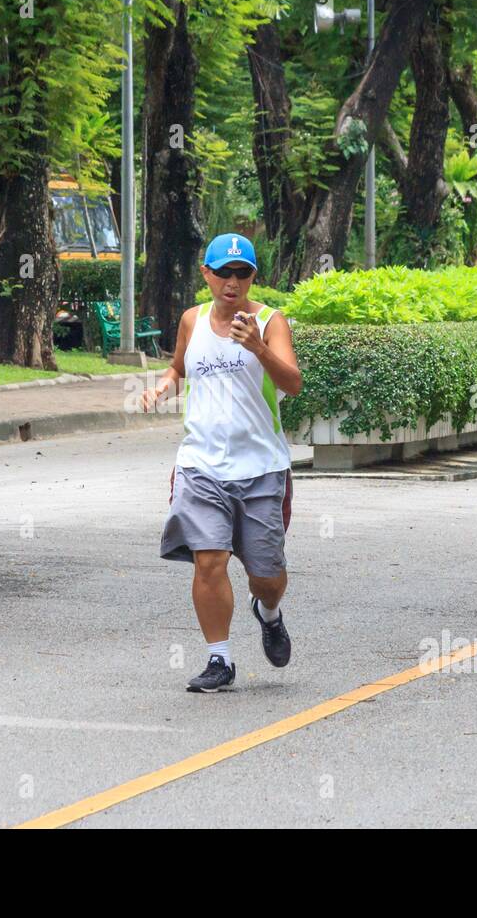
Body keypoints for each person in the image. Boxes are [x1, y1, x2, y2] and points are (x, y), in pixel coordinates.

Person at [139, 233, 302, 693]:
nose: (233, 282)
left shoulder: (270, 322)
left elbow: (293, 384)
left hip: (260, 468)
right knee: (209, 561)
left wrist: (258, 348)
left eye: (242, 273)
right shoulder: (192, 320)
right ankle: (220, 659)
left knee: (266, 576)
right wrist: (162, 386)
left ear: (253, 277)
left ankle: (268, 613)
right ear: (206, 274)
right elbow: (178, 366)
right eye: (223, 273)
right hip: (200, 465)